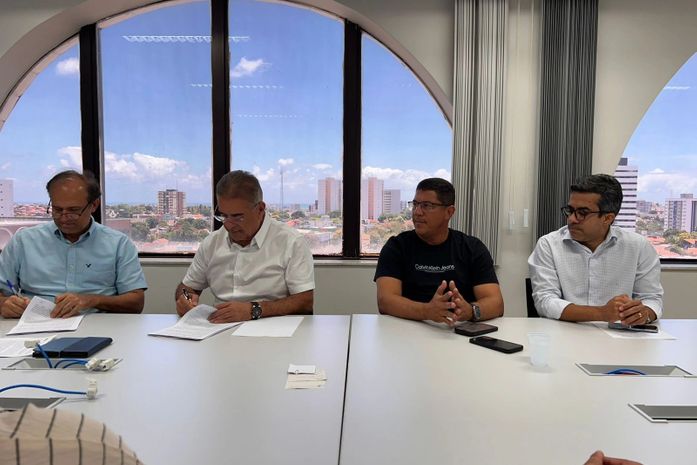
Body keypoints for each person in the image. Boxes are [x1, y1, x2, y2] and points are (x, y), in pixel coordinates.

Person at [0, 170, 147, 318]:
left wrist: (93, 300)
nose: (64, 218)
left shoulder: (118, 244)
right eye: (57, 209)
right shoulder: (24, 241)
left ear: (94, 205)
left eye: (73, 210)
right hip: (34, 323)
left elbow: (136, 303)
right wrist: (4, 303)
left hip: (97, 323)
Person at [175, 170, 314, 323]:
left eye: (237, 217)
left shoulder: (291, 242)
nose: (229, 225)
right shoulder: (212, 242)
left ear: (260, 209)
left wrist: (254, 310)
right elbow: (187, 287)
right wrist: (185, 298)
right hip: (219, 328)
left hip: (273, 327)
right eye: (224, 216)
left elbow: (305, 301)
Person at [528, 174, 663, 324]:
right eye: (570, 210)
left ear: (608, 218)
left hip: (620, 334)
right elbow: (545, 302)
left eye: (582, 213)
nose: (571, 219)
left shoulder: (638, 246)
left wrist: (644, 314)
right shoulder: (549, 244)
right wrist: (601, 313)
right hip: (565, 332)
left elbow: (651, 299)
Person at [374, 178, 504, 326]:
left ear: (449, 212)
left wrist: (470, 311)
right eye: (415, 204)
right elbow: (385, 301)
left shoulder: (472, 248)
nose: (417, 212)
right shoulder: (397, 247)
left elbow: (496, 303)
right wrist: (426, 311)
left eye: (427, 206)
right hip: (407, 330)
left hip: (457, 331)